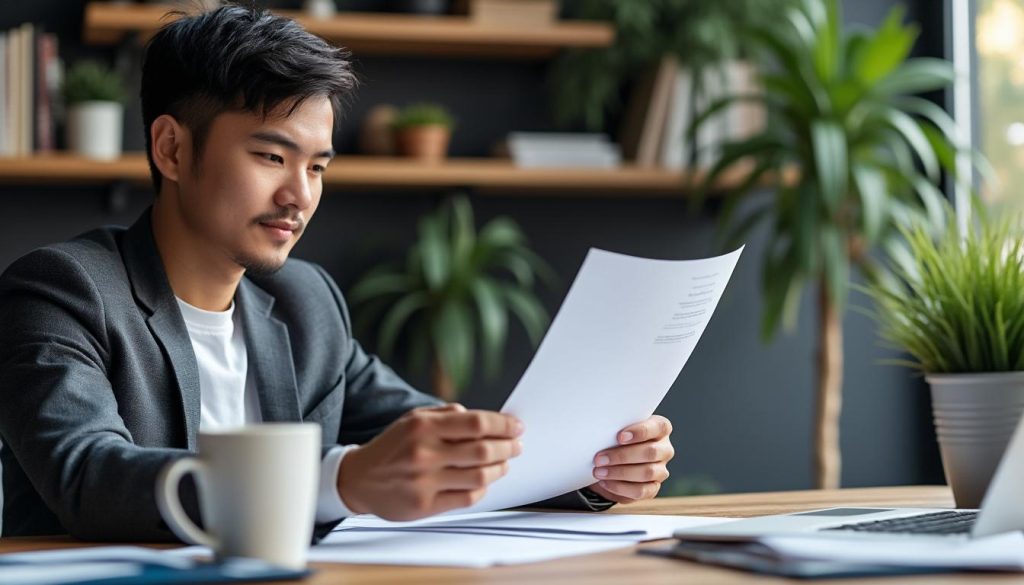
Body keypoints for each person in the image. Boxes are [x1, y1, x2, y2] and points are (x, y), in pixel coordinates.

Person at [0, 4, 674, 540]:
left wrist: (591, 469)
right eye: (271, 156)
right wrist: (341, 481)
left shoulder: (303, 301)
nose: (301, 195)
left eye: (317, 166)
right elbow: (92, 477)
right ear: (172, 148)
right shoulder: (61, 291)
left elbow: (441, 443)